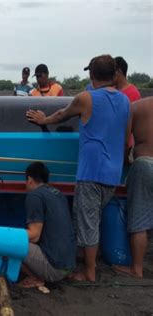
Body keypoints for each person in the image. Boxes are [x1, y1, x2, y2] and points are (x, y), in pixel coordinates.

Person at [26, 55, 131, 282]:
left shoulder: (86, 98)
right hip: (113, 172)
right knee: (93, 218)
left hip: (92, 171)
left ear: (92, 75)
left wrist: (43, 120)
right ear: (114, 74)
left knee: (87, 222)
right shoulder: (124, 101)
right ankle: (89, 258)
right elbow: (125, 136)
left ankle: (90, 273)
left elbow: (62, 114)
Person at [18, 162, 76, 288]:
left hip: (54, 269)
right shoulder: (58, 194)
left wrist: (8, 234)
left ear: (29, 179)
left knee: (10, 244)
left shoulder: (34, 196)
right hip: (69, 265)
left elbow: (34, 236)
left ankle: (36, 278)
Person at [113, 97, 153, 278]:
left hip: (144, 164)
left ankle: (137, 268)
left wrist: (123, 163)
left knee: (139, 219)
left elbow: (124, 142)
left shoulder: (137, 107)